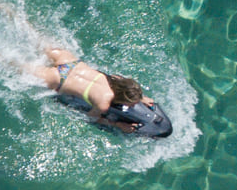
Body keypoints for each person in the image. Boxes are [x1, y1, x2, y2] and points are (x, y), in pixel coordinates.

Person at [37, 47, 174, 138]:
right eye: (131, 103)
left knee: (29, 31)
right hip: (57, 80)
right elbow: (90, 117)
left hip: (69, 60)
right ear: (122, 99)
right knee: (16, 65)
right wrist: (118, 125)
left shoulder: (117, 80)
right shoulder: (103, 104)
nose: (133, 106)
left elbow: (127, 89)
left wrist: (141, 98)